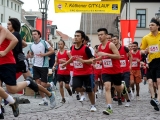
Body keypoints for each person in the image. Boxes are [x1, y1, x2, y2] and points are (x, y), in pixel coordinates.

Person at [62, 30, 97, 112]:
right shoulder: (72, 48)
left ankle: (93, 105)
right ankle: (87, 90)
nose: (76, 37)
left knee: (89, 90)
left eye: (78, 36)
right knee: (75, 87)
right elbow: (73, 57)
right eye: (75, 36)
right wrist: (66, 63)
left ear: (82, 39)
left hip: (87, 73)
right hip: (77, 73)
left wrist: (84, 61)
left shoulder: (86, 49)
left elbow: (93, 60)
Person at [94, 28, 124, 115]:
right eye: (98, 35)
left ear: (106, 35)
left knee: (119, 88)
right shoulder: (99, 46)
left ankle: (123, 86)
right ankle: (109, 107)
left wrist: (106, 54)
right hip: (106, 71)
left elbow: (118, 56)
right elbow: (102, 57)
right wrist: (96, 59)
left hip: (115, 70)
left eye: (101, 34)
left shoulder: (110, 45)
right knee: (107, 87)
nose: (100, 36)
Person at [30, 29, 55, 106]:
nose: (33, 35)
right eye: (33, 34)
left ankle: (50, 85)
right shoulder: (32, 45)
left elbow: (52, 51)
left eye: (35, 34)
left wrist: (43, 55)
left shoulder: (44, 43)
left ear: (39, 35)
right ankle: (44, 100)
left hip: (44, 66)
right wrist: (30, 55)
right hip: (35, 66)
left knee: (43, 85)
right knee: (38, 85)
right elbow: (31, 53)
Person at [140, 17, 160, 111]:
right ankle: (154, 98)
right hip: (151, 62)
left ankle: (158, 101)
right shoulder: (146, 37)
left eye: (152, 25)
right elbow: (141, 50)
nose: (150, 26)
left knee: (159, 81)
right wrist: (144, 51)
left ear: (158, 26)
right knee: (154, 83)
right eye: (149, 25)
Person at [112, 35, 133, 106]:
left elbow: (130, 55)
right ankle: (119, 98)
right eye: (112, 40)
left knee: (124, 85)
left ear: (118, 40)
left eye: (115, 39)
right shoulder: (112, 50)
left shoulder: (124, 48)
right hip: (117, 71)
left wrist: (130, 65)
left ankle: (128, 99)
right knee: (118, 86)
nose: (114, 41)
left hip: (125, 70)